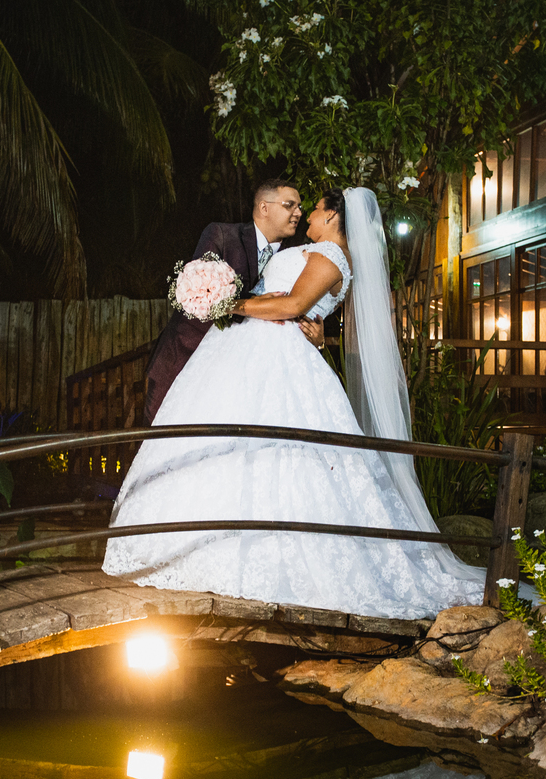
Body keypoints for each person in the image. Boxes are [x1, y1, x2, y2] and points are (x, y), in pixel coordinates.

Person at [103, 187, 485, 620]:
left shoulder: (332, 256)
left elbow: (296, 304)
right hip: (247, 353)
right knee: (233, 446)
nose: (306, 216)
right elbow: (294, 305)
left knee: (276, 450)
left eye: (314, 210)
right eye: (296, 207)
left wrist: (230, 304)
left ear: (335, 218)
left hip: (276, 359)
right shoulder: (309, 251)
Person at [144, 179, 324, 423]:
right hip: (185, 357)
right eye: (290, 205)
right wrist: (253, 303)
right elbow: (197, 291)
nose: (299, 213)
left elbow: (293, 305)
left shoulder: (293, 257)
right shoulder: (221, 234)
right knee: (159, 441)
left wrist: (314, 335)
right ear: (264, 208)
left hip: (238, 378)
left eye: (300, 207)